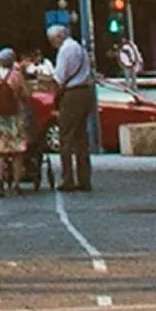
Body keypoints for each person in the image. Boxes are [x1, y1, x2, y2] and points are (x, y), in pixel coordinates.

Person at [49, 22, 95, 192]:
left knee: (66, 137)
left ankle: (68, 179)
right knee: (81, 138)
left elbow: (59, 77)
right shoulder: (80, 48)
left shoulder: (65, 50)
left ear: (59, 37)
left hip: (72, 95)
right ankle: (85, 178)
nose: (52, 44)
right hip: (86, 93)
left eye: (52, 40)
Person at [0, 47, 30, 197]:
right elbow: (25, 94)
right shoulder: (16, 76)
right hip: (15, 117)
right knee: (17, 151)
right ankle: (17, 183)